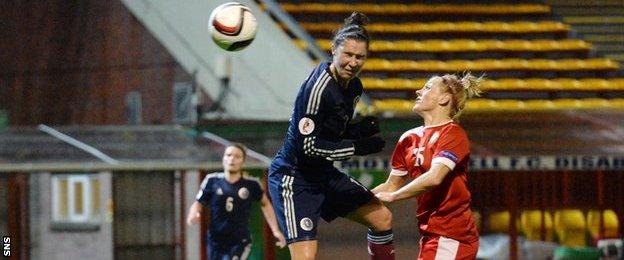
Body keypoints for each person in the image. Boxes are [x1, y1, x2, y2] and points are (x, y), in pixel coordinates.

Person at [268, 12, 395, 260]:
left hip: (323, 173)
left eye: (360, 57)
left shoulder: (354, 87)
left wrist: (355, 130)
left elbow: (330, 131)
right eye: (348, 54)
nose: (353, 62)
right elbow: (309, 147)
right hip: (295, 178)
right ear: (333, 49)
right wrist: (357, 146)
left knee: (382, 218)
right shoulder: (317, 90)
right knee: (305, 257)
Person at [374, 73, 483, 259]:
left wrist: (394, 196)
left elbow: (434, 177)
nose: (418, 91)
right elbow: (391, 184)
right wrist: (356, 198)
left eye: (427, 87)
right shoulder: (409, 138)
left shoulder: (453, 133)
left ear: (444, 99)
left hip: (452, 235)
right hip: (431, 234)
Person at [187, 143, 286, 260]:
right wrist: (193, 214)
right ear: (223, 158)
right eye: (228, 155)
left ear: (243, 161)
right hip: (215, 241)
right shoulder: (211, 181)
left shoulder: (251, 184)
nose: (232, 159)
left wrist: (275, 230)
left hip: (240, 241)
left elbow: (266, 204)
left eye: (237, 156)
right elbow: (198, 203)